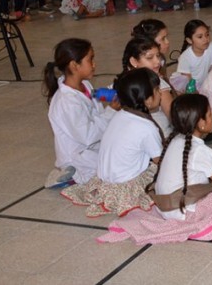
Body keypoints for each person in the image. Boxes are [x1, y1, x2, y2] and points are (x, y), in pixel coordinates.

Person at [99, 94, 212, 244]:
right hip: (183, 211)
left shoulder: (176, 139)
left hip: (165, 207)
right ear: (200, 123)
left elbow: (199, 166)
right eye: (209, 114)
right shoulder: (201, 151)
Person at [60, 68, 163, 217]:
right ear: (146, 99)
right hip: (124, 187)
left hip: (104, 183)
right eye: (157, 90)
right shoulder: (146, 127)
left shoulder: (121, 114)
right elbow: (161, 161)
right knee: (163, 170)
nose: (160, 93)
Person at [43, 38, 117, 188]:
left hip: (94, 146)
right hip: (79, 155)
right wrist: (112, 110)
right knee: (119, 171)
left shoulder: (84, 84)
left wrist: (112, 93)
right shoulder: (67, 101)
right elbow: (88, 136)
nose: (94, 64)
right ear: (74, 65)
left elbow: (92, 101)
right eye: (90, 60)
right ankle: (70, 175)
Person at [175, 19, 212, 90]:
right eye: (200, 37)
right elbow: (188, 82)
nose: (205, 39)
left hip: (206, 83)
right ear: (189, 40)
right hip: (191, 87)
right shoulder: (185, 57)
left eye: (207, 35)